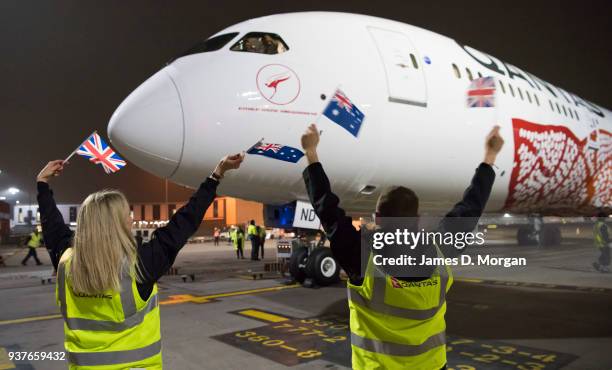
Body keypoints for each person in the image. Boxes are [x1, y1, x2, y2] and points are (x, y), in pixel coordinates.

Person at [300, 123, 503, 370]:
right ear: (417, 219)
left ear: (378, 217)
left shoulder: (363, 255)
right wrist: (489, 157)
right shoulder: (440, 248)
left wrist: (311, 152)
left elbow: (327, 209)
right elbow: (471, 206)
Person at [36, 153, 243, 369]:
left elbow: (52, 226)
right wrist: (216, 175)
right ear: (115, 223)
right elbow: (185, 221)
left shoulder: (66, 261)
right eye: (126, 214)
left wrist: (42, 184)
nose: (131, 218)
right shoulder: (140, 264)